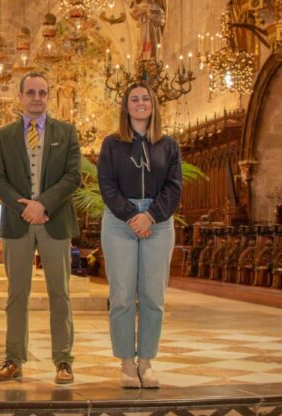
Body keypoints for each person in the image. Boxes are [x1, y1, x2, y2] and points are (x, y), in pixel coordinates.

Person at [0, 72, 81, 384]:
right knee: (17, 294)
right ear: (20, 97)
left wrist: (43, 204)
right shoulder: (4, 135)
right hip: (18, 223)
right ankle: (14, 359)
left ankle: (63, 360)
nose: (36, 98)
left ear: (48, 96)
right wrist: (25, 207)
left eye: (42, 92)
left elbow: (72, 176)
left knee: (60, 293)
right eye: (31, 92)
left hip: (55, 222)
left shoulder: (66, 132)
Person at [97, 82, 181, 388]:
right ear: (126, 106)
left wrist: (151, 216)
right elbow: (106, 185)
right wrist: (132, 215)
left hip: (158, 222)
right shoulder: (111, 144)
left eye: (146, 98)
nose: (141, 103)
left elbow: (174, 188)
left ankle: (146, 362)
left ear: (154, 105)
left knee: (153, 297)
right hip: (121, 222)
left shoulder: (168, 145)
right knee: (121, 297)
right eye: (135, 98)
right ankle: (126, 363)